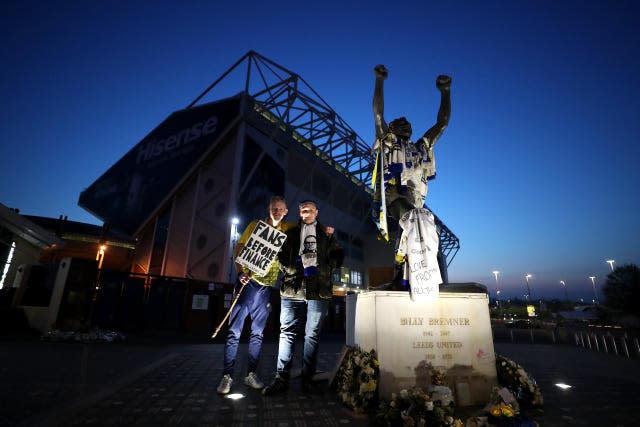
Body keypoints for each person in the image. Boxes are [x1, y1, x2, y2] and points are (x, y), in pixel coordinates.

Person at [372, 64, 451, 290]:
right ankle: (403, 274)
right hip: (394, 198)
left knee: (421, 234)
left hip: (416, 202)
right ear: (393, 128)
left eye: (407, 122)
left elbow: (442, 124)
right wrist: (379, 81)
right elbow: (378, 114)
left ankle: (415, 275)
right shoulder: (388, 142)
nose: (405, 120)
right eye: (399, 121)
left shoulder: (420, 148)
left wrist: (445, 92)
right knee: (412, 223)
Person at [262, 200, 344, 395]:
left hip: (318, 289)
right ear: (299, 213)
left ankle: (308, 378)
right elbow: (280, 256)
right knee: (287, 334)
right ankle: (281, 378)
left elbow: (339, 256)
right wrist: (293, 267)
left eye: (309, 210)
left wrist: (325, 267)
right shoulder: (290, 234)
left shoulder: (326, 235)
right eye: (302, 210)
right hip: (292, 288)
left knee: (312, 336)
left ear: (316, 212)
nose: (306, 213)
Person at [216, 195, 292, 395]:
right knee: (234, 331)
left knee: (257, 334)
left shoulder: (286, 231)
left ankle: (250, 374)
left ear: (285, 212)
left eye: (281, 209)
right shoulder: (254, 225)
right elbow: (239, 248)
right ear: (269, 209)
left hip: (267, 289)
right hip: (247, 283)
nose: (277, 211)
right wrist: (240, 272)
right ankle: (227, 376)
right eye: (274, 208)